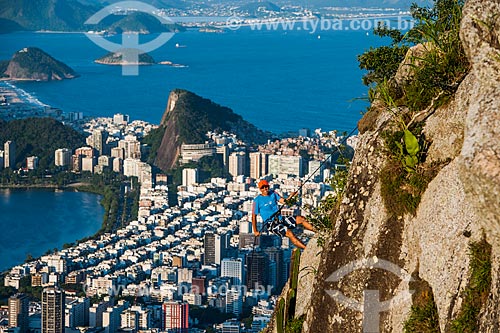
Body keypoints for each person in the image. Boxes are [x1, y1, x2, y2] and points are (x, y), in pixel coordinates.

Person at [252, 179, 315, 249]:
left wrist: (291, 196)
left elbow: (284, 202)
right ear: (260, 189)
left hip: (280, 218)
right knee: (290, 233)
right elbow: (253, 216)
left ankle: (318, 231)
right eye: (262, 187)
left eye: (266, 186)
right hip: (271, 223)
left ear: (268, 186)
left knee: (301, 219)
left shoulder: (273, 194)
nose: (265, 189)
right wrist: (255, 231)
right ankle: (306, 249)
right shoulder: (257, 200)